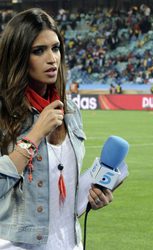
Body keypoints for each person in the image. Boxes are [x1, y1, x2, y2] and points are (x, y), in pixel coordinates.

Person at [0, 8, 113, 249]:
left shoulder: (70, 111)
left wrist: (92, 196)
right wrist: (34, 135)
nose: (52, 58)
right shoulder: (3, 113)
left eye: (56, 48)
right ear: (18, 56)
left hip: (69, 243)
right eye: (38, 51)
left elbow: (61, 195)